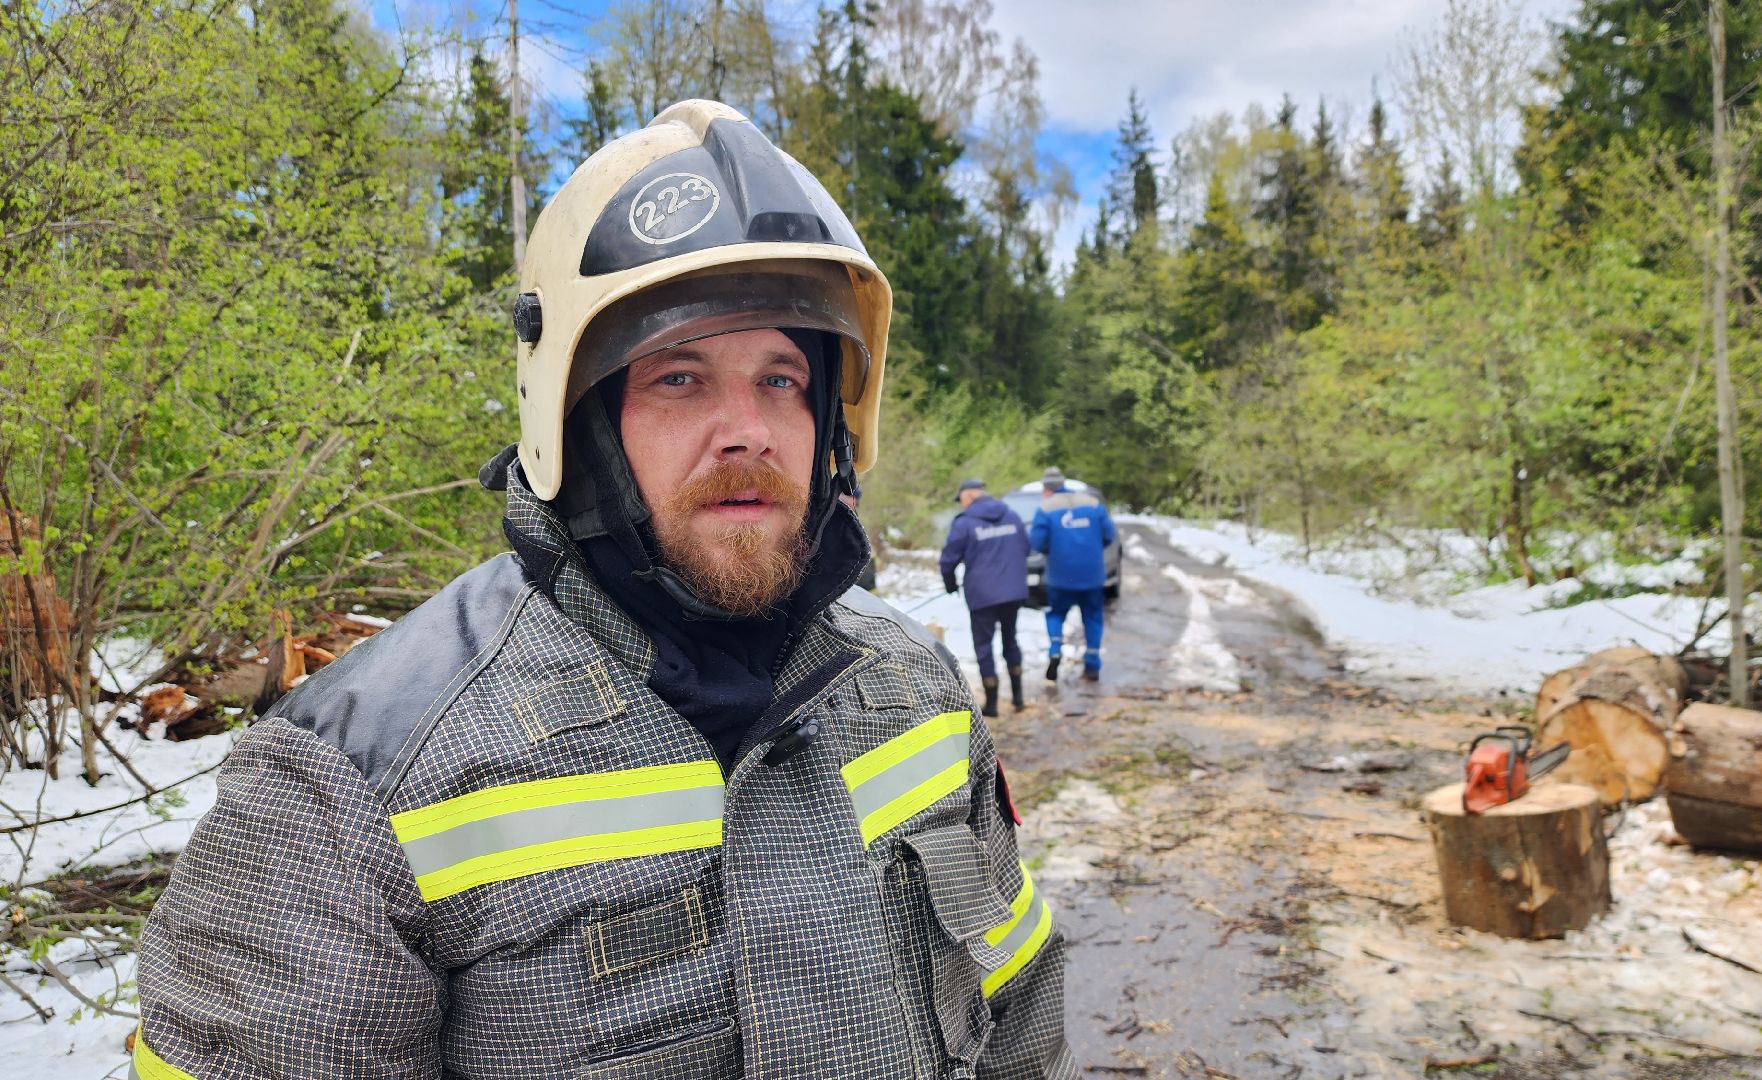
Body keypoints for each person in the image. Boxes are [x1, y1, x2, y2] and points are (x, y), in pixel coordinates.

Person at [131, 100, 1073, 1080]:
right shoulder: (355, 782)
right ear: (574, 421)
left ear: (832, 421)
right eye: (678, 378)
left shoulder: (911, 684)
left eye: (783, 379)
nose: (747, 430)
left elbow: (1016, 1001)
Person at [939, 477, 1031, 717]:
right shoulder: (1011, 516)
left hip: (982, 595)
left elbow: (948, 559)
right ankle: (1018, 696)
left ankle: (991, 704)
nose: (962, 505)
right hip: (1012, 593)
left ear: (968, 496)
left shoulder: (965, 523)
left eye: (961, 500)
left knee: (984, 647)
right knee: (1011, 641)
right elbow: (1026, 549)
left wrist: (950, 584)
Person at [1029, 466, 1116, 682]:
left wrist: (1056, 551)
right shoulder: (1092, 504)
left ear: (1046, 489)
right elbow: (1109, 535)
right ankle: (1093, 665)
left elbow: (1037, 543)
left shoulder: (1046, 508)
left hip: (1060, 576)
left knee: (1056, 614)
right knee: (1093, 617)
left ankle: (1055, 650)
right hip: (1092, 576)